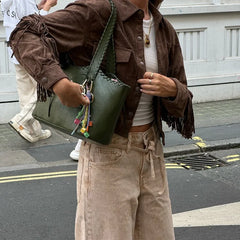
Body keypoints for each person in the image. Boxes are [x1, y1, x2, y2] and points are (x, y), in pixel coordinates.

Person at [10, 0, 195, 239]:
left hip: (152, 154)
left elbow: (185, 101)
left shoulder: (163, 28)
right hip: (109, 154)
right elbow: (25, 33)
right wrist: (58, 82)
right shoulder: (99, 11)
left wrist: (173, 89)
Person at [1, 0, 57, 142]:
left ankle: (34, 131)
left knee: (26, 92)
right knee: (45, 87)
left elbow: (19, 17)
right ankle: (20, 120)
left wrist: (39, 6)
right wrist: (47, 7)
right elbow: (33, 26)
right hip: (29, 49)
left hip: (15, 49)